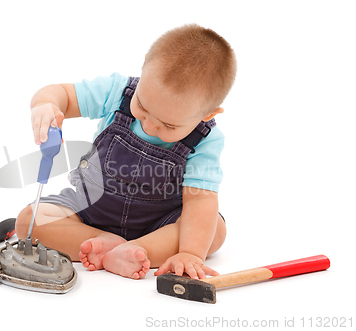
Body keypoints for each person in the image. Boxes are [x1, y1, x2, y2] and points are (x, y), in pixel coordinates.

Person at [15, 24, 237, 280]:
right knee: (28, 222)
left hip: (158, 224)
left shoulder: (205, 140)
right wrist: (46, 104)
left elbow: (200, 200)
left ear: (207, 114)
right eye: (142, 106)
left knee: (214, 230)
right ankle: (103, 242)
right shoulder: (116, 92)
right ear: (143, 69)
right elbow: (63, 93)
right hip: (90, 209)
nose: (149, 125)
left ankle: (138, 249)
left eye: (169, 125)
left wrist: (190, 252)